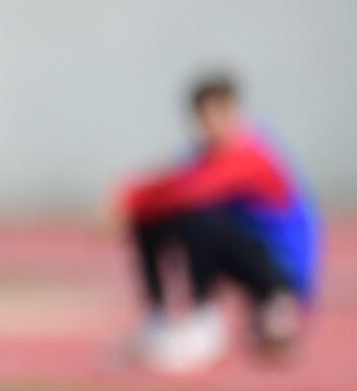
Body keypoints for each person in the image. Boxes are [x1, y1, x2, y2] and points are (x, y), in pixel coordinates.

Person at [116, 72, 319, 371]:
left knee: (197, 216)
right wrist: (130, 200)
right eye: (203, 117)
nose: (210, 125)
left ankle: (208, 319)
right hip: (237, 252)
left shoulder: (254, 155)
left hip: (280, 268)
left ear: (233, 112)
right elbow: (171, 184)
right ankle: (157, 318)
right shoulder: (201, 156)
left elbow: (193, 191)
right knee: (150, 217)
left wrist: (128, 197)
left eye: (217, 114)